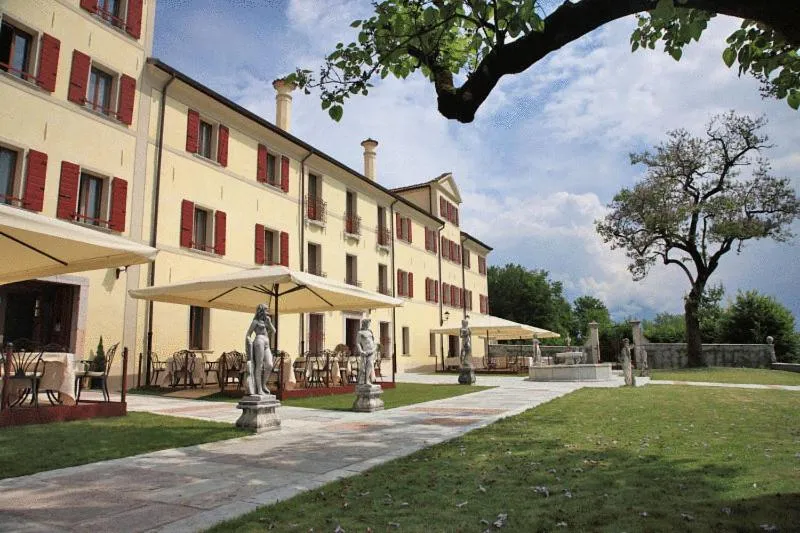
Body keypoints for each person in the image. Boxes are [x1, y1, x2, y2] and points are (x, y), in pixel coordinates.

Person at [245, 303, 277, 395]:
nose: (268, 312)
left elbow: (274, 331)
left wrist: (269, 323)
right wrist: (249, 342)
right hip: (259, 341)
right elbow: (248, 334)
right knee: (259, 365)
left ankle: (263, 385)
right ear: (261, 310)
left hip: (266, 342)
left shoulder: (267, 320)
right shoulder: (255, 322)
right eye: (266, 310)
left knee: (269, 365)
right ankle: (259, 389)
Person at [355, 318, 376, 385]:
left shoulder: (370, 332)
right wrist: (361, 351)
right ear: (365, 323)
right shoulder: (360, 332)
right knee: (363, 367)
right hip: (365, 351)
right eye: (368, 323)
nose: (369, 325)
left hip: (372, 351)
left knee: (370, 365)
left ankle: (367, 380)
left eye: (369, 323)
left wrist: (374, 348)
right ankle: (363, 380)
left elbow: (372, 341)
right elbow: (358, 343)